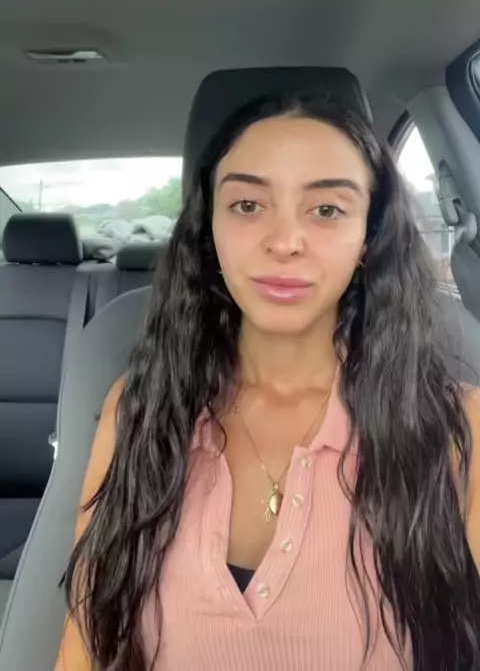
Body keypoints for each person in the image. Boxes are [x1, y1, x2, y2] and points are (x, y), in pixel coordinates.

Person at [55, 91, 480, 671]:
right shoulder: (140, 408)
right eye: (248, 205)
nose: (284, 241)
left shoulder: (457, 427)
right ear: (210, 229)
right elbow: (83, 649)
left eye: (326, 209)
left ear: (368, 235)